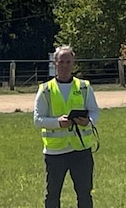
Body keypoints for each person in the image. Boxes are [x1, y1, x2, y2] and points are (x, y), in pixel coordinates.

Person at [33, 45, 100, 208]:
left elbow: (95, 112)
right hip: (55, 152)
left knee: (85, 194)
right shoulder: (45, 90)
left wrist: (88, 121)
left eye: (68, 62)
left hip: (81, 150)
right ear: (55, 63)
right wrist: (57, 123)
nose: (65, 65)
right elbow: (37, 120)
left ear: (73, 63)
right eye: (61, 62)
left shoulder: (84, 87)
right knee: (52, 195)